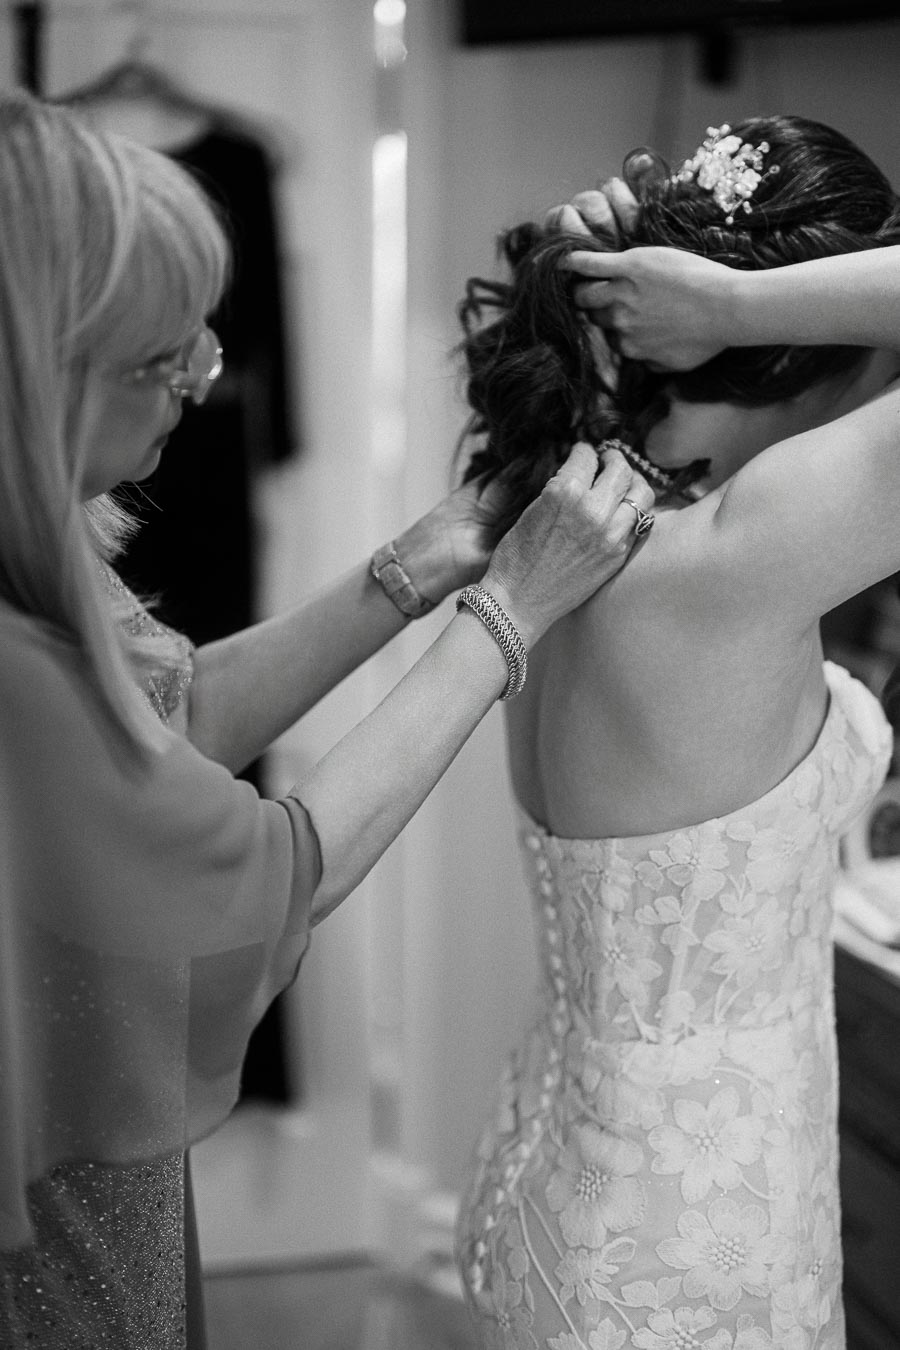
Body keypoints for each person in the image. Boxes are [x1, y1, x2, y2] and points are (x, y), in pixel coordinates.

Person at [0, 91, 656, 1350]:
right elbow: (274, 866)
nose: (202, 380)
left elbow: (164, 726)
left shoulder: (43, 569)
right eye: (158, 358)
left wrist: (419, 568)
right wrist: (508, 615)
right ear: (37, 376)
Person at [453, 114, 900, 1350]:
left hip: (551, 1169)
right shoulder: (738, 553)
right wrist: (732, 308)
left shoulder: (568, 500)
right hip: (693, 1232)